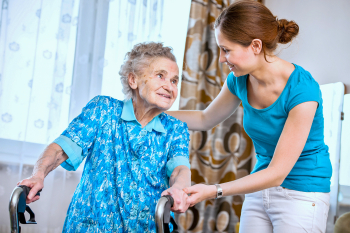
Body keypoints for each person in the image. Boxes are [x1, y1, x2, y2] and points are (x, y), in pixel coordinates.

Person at [167, 1, 332, 233]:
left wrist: (214, 190)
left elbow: (277, 173)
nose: (222, 60)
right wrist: (153, 113)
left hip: (303, 192)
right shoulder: (239, 80)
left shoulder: (303, 90)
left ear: (255, 46)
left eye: (226, 50)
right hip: (260, 187)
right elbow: (205, 118)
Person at [18, 42, 191, 232]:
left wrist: (179, 189)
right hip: (92, 226)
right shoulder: (103, 110)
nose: (170, 87)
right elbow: (61, 148)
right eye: (160, 76)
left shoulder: (176, 129)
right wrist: (39, 174)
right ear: (133, 80)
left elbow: (179, 170)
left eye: (174, 81)